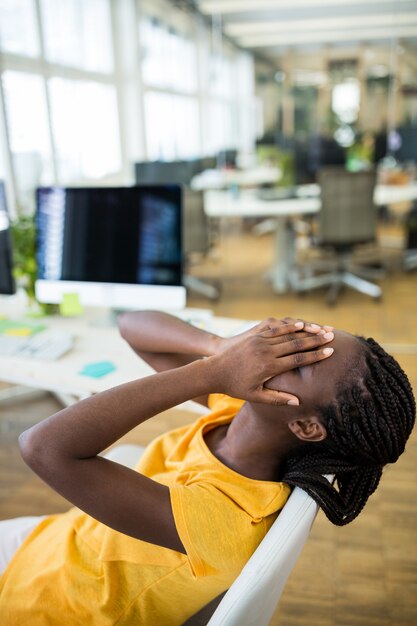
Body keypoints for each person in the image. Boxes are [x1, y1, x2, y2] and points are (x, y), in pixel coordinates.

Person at [0, 312, 415, 625]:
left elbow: (42, 447)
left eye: (299, 363)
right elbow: (130, 325)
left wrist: (212, 371)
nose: (281, 346)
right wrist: (219, 346)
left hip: (46, 601)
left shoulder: (223, 517)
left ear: (305, 426)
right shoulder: (245, 412)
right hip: (56, 543)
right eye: (300, 340)